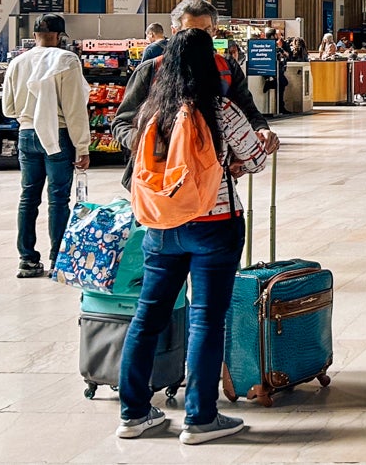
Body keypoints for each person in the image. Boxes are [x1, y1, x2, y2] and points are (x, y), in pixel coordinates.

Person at [116, 28, 268, 445]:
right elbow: (254, 159)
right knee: (205, 318)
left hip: (161, 225)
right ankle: (200, 418)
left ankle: (133, 413)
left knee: (147, 316)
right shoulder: (219, 108)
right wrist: (236, 162)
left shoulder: (152, 110)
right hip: (214, 225)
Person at [113, 0, 279, 187]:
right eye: (190, 32)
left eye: (206, 32)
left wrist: (261, 130)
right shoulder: (150, 70)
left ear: (215, 31)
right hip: (158, 185)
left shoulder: (226, 69)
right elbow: (121, 122)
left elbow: (248, 110)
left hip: (214, 185)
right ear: (174, 32)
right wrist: (149, 143)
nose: (199, 39)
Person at [5, 14, 91, 278]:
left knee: (28, 197)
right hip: (58, 135)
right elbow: (75, 108)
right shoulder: (66, 60)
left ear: (35, 35)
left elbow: (8, 108)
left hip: (27, 134)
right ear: (60, 36)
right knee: (58, 199)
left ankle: (27, 260)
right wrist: (83, 146)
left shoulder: (18, 62)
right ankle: (58, 258)